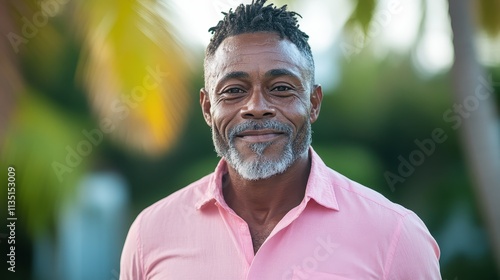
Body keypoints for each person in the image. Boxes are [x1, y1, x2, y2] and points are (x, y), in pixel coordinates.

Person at [120, 0, 441, 279]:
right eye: (234, 90)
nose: (256, 107)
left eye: (281, 88)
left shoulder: (396, 236)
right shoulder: (151, 235)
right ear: (207, 108)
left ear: (314, 103)